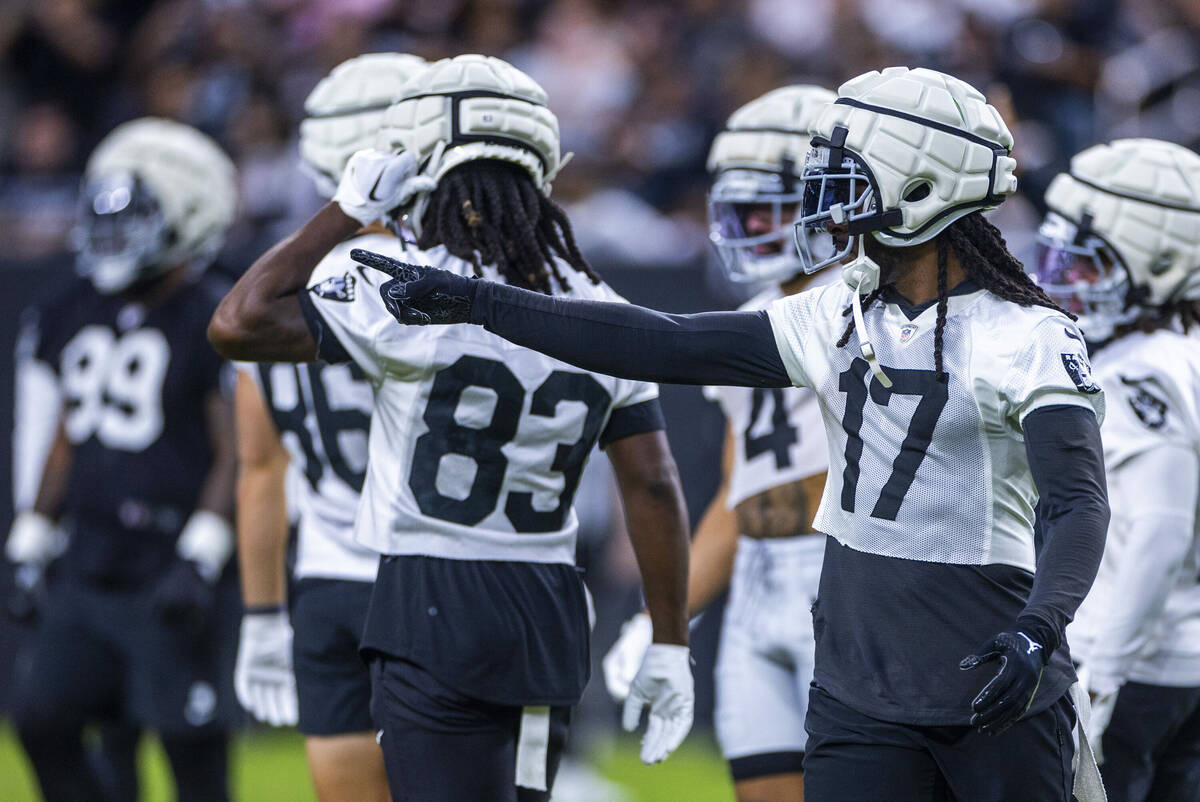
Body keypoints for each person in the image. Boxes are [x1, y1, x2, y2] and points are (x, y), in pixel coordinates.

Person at [350, 66, 1112, 801]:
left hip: (993, 665)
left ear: (921, 185)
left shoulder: (1028, 334)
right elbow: (661, 340)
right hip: (856, 681)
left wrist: (1039, 629)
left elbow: (1077, 503)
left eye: (850, 175)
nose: (827, 198)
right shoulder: (835, 313)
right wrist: (480, 302)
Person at [207, 54, 694, 802]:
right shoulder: (605, 304)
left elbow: (236, 323)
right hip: (548, 600)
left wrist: (344, 210)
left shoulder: (402, 287)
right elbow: (654, 483)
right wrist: (670, 640)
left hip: (430, 595)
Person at [603, 84, 835, 802]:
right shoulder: (752, 319)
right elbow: (738, 500)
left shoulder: (868, 313)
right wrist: (660, 620)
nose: (753, 225)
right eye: (744, 208)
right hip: (760, 585)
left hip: (845, 581)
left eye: (773, 206)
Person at [5, 117, 240, 802]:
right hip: (88, 559)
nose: (111, 241)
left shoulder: (210, 311)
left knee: (191, 753)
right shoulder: (73, 308)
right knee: (44, 720)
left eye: (131, 223)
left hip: (167, 563)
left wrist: (202, 554)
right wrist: (32, 535)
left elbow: (236, 450)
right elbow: (67, 435)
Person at [232, 51, 424, 802]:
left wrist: (261, 613)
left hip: (325, 580)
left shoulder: (271, 289)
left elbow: (260, 470)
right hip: (429, 572)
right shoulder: (432, 276)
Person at [1035, 138, 1200, 802]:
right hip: (1178, 662)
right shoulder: (1180, 354)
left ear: (1160, 264)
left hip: (1134, 666)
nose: (1065, 280)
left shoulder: (1140, 372)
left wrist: (1103, 675)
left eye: (1088, 263)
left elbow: (1161, 532)